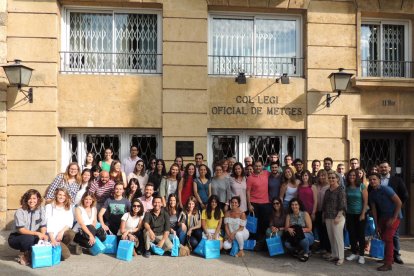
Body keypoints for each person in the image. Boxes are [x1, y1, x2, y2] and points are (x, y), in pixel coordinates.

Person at [368, 172, 402, 271]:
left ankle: (388, 264)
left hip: (394, 216)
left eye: (374, 179)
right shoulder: (372, 194)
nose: (372, 181)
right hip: (383, 217)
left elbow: (399, 202)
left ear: (379, 180)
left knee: (388, 238)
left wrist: (394, 218)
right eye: (370, 180)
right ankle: (389, 259)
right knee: (384, 238)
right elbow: (374, 210)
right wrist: (376, 224)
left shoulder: (386, 189)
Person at [378, 160, 408, 265]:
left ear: (389, 168)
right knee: (384, 234)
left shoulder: (397, 180)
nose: (383, 169)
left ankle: (396, 256)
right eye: (381, 167)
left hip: (395, 212)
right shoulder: (376, 180)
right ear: (379, 169)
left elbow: (404, 195)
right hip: (382, 213)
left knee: (394, 235)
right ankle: (387, 256)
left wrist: (398, 207)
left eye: (385, 167)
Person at [8, 189, 48, 266]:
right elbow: (21, 230)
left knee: (46, 238)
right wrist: (37, 233)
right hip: (17, 237)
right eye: (29, 198)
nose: (32, 201)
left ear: (38, 199)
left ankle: (32, 254)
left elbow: (43, 225)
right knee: (28, 238)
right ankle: (24, 254)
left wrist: (42, 235)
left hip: (33, 235)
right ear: (26, 199)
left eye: (34, 198)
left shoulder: (41, 209)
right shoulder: (20, 211)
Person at [45, 188, 80, 260]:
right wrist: (52, 240)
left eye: (64, 195)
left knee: (71, 233)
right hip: (51, 235)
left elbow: (69, 222)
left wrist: (61, 232)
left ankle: (62, 246)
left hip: (61, 233)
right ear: (56, 195)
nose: (62, 197)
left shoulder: (68, 207)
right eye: (60, 195)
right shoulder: (49, 207)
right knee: (66, 255)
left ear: (66, 197)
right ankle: (55, 248)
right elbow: (48, 224)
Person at [322, 171, 347, 266]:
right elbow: (325, 204)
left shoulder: (341, 189)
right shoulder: (328, 191)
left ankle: (341, 257)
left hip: (338, 217)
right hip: (328, 216)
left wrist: (338, 216)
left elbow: (343, 205)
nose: (331, 179)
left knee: (338, 237)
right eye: (330, 177)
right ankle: (334, 254)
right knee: (331, 237)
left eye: (333, 177)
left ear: (337, 179)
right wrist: (323, 215)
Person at [345, 169, 368, 264]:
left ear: (357, 177)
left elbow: (365, 201)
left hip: (360, 214)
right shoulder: (347, 187)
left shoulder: (362, 186)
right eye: (350, 175)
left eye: (354, 175)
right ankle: (354, 252)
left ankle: (362, 255)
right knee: (352, 234)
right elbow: (345, 201)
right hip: (350, 214)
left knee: (361, 235)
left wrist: (363, 214)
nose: (352, 177)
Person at [246, 160, 271, 248]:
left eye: (259, 166)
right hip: (254, 203)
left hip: (265, 203)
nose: (258, 168)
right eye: (256, 166)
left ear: (262, 166)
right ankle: (255, 243)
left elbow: (277, 172)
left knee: (265, 223)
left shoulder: (266, 173)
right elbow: (248, 191)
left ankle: (263, 242)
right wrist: (249, 204)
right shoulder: (250, 177)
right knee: (254, 225)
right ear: (253, 167)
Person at [284, 198, 314, 262]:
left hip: (307, 234)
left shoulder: (305, 214)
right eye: (292, 205)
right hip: (294, 236)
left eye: (296, 204)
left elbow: (309, 228)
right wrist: (288, 229)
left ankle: (306, 253)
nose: (294, 206)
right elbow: (286, 228)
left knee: (303, 237)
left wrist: (299, 231)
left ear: (299, 205)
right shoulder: (289, 215)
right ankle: (298, 250)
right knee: (287, 244)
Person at [314, 169, 331, 255]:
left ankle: (327, 248)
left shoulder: (329, 186)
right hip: (317, 210)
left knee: (326, 230)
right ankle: (321, 246)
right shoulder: (315, 186)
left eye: (323, 175)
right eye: (320, 175)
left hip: (326, 211)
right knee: (320, 229)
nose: (321, 177)